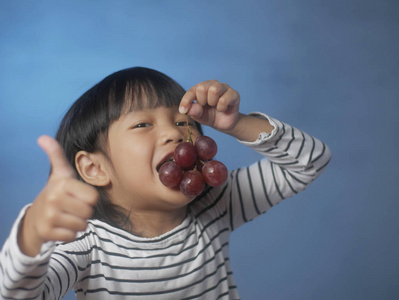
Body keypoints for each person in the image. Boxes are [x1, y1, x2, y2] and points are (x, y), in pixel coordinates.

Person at [0, 67, 331, 299]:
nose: (174, 132)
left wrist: (237, 124)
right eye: (143, 123)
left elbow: (311, 161)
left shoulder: (216, 205)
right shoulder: (87, 245)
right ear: (95, 168)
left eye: (182, 122)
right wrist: (31, 235)